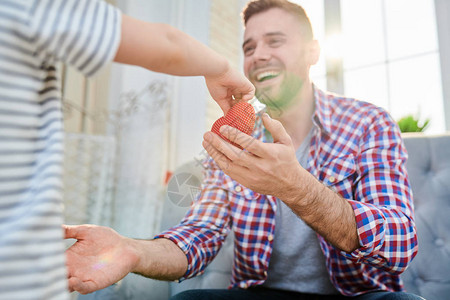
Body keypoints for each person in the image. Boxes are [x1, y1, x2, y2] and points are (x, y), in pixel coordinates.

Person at [64, 0, 423, 299]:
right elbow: (199, 234)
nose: (258, 56)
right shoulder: (237, 138)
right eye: (249, 47)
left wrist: (295, 186)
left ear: (313, 51)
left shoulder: (368, 123)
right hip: (263, 293)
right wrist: (131, 250)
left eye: (275, 41)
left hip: (359, 295)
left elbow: (400, 243)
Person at [0, 0, 254, 299]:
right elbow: (169, 46)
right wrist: (222, 68)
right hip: (23, 271)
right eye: (248, 47)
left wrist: (128, 249)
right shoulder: (29, 7)